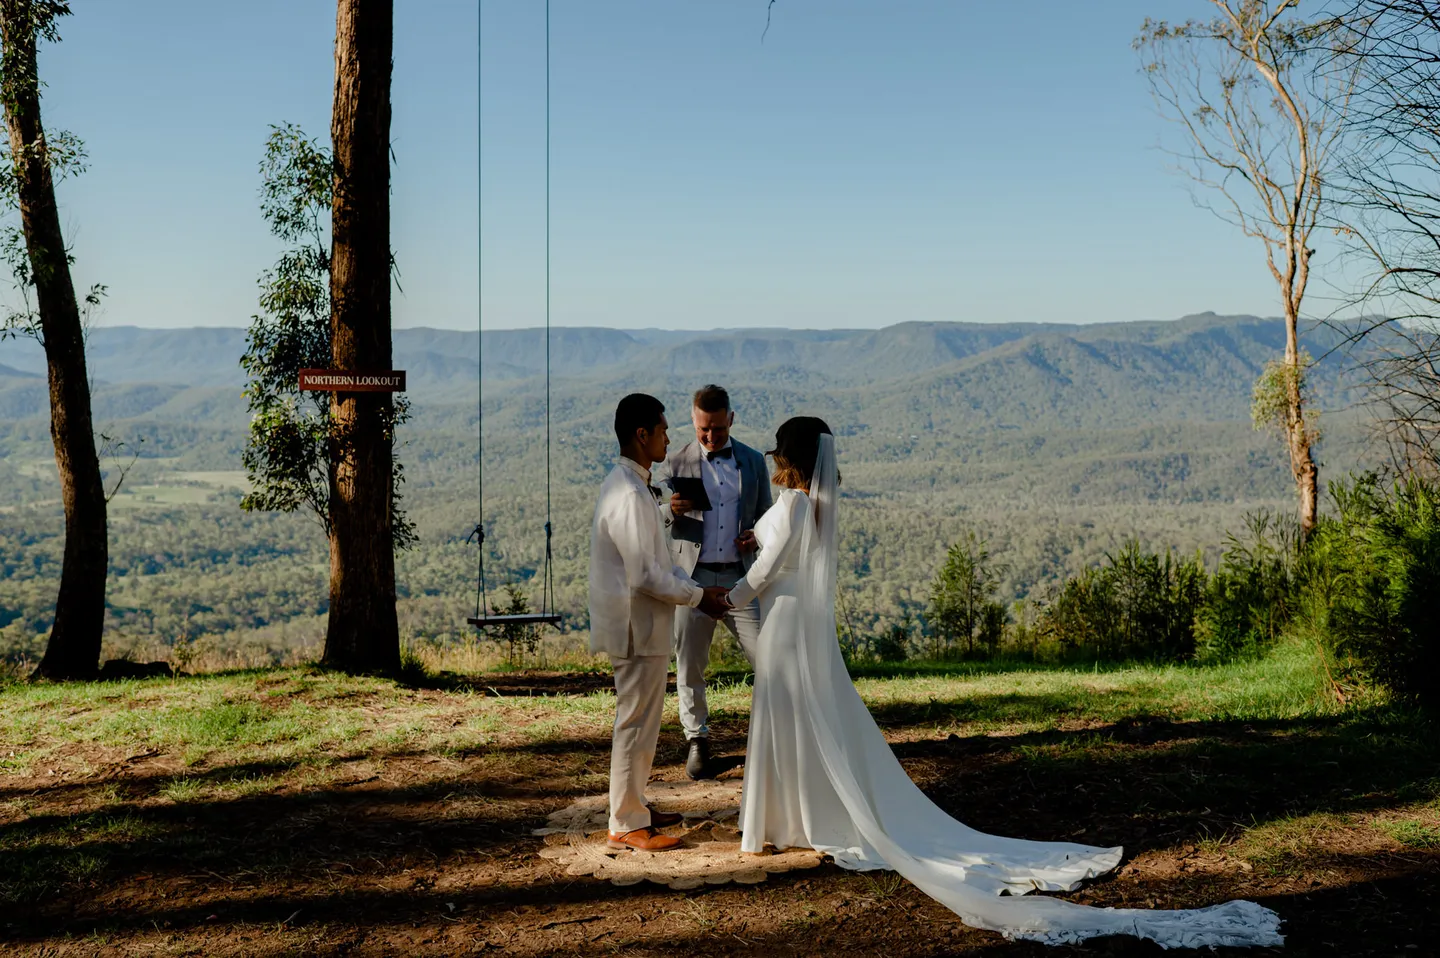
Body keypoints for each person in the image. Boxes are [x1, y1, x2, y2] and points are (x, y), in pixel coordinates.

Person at [725, 416, 1285, 948]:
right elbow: (786, 553)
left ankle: (785, 820)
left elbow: (767, 572)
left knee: (786, 717)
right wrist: (759, 539)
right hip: (802, 624)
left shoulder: (793, 503)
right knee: (807, 719)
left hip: (784, 623)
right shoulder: (816, 505)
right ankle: (803, 816)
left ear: (788, 457)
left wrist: (723, 599)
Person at [588, 393, 729, 852]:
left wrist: (694, 590)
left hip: (646, 624)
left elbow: (660, 561)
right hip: (635, 626)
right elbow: (645, 575)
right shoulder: (629, 494)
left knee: (645, 722)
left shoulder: (635, 486)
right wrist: (698, 596)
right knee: (634, 722)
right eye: (664, 431)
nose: (669, 439)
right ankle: (626, 822)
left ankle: (635, 805)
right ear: (642, 434)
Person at [663, 384, 772, 779]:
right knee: (690, 663)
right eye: (703, 429)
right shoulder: (675, 461)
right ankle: (697, 739)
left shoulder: (753, 461)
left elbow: (767, 516)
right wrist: (670, 509)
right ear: (694, 421)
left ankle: (771, 737)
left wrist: (755, 535)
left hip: (740, 577)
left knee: (768, 659)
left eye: (718, 429)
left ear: (732, 419)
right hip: (692, 577)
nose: (710, 437)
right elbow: (656, 517)